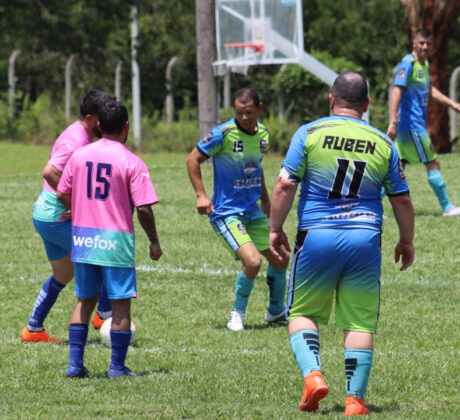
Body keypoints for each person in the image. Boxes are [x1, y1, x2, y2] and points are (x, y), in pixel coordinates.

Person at [269, 72, 415, 415]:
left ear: (331, 99)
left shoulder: (309, 133)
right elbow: (403, 200)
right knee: (360, 322)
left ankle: (313, 376)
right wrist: (406, 240)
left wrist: (275, 228)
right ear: (366, 105)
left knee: (302, 312)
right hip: (366, 241)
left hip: (317, 237)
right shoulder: (383, 143)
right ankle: (355, 400)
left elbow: (284, 186)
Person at [56, 99, 162, 377]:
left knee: (85, 301)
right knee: (120, 305)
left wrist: (77, 207)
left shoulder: (79, 156)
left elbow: (61, 192)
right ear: (126, 127)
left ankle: (75, 365)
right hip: (115, 242)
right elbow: (144, 208)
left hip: (84, 239)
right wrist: (154, 240)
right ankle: (117, 367)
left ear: (99, 125)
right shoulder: (132, 161)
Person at [186, 87, 289, 331]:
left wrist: (265, 200)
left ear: (259, 108)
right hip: (226, 213)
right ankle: (237, 313)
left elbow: (256, 167)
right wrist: (201, 195)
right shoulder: (223, 134)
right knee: (252, 262)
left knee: (281, 258)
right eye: (239, 112)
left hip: (252, 210)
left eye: (249, 112)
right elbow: (192, 160)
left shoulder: (263, 134)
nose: (244, 117)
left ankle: (275, 311)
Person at [21, 90, 114, 344]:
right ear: (89, 117)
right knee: (103, 253)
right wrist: (75, 203)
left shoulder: (83, 134)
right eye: (101, 118)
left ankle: (33, 329)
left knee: (63, 274)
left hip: (46, 215)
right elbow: (49, 171)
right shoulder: (75, 140)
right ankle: (104, 317)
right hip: (56, 217)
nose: (105, 121)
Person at [386, 27, 460, 216]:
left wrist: (452, 104)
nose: (425, 47)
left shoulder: (424, 64)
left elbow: (428, 90)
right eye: (421, 43)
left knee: (397, 168)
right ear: (414, 43)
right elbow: (396, 90)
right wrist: (393, 121)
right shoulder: (408, 64)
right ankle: (447, 207)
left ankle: (372, 208)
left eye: (428, 44)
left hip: (411, 127)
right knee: (433, 162)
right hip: (412, 127)